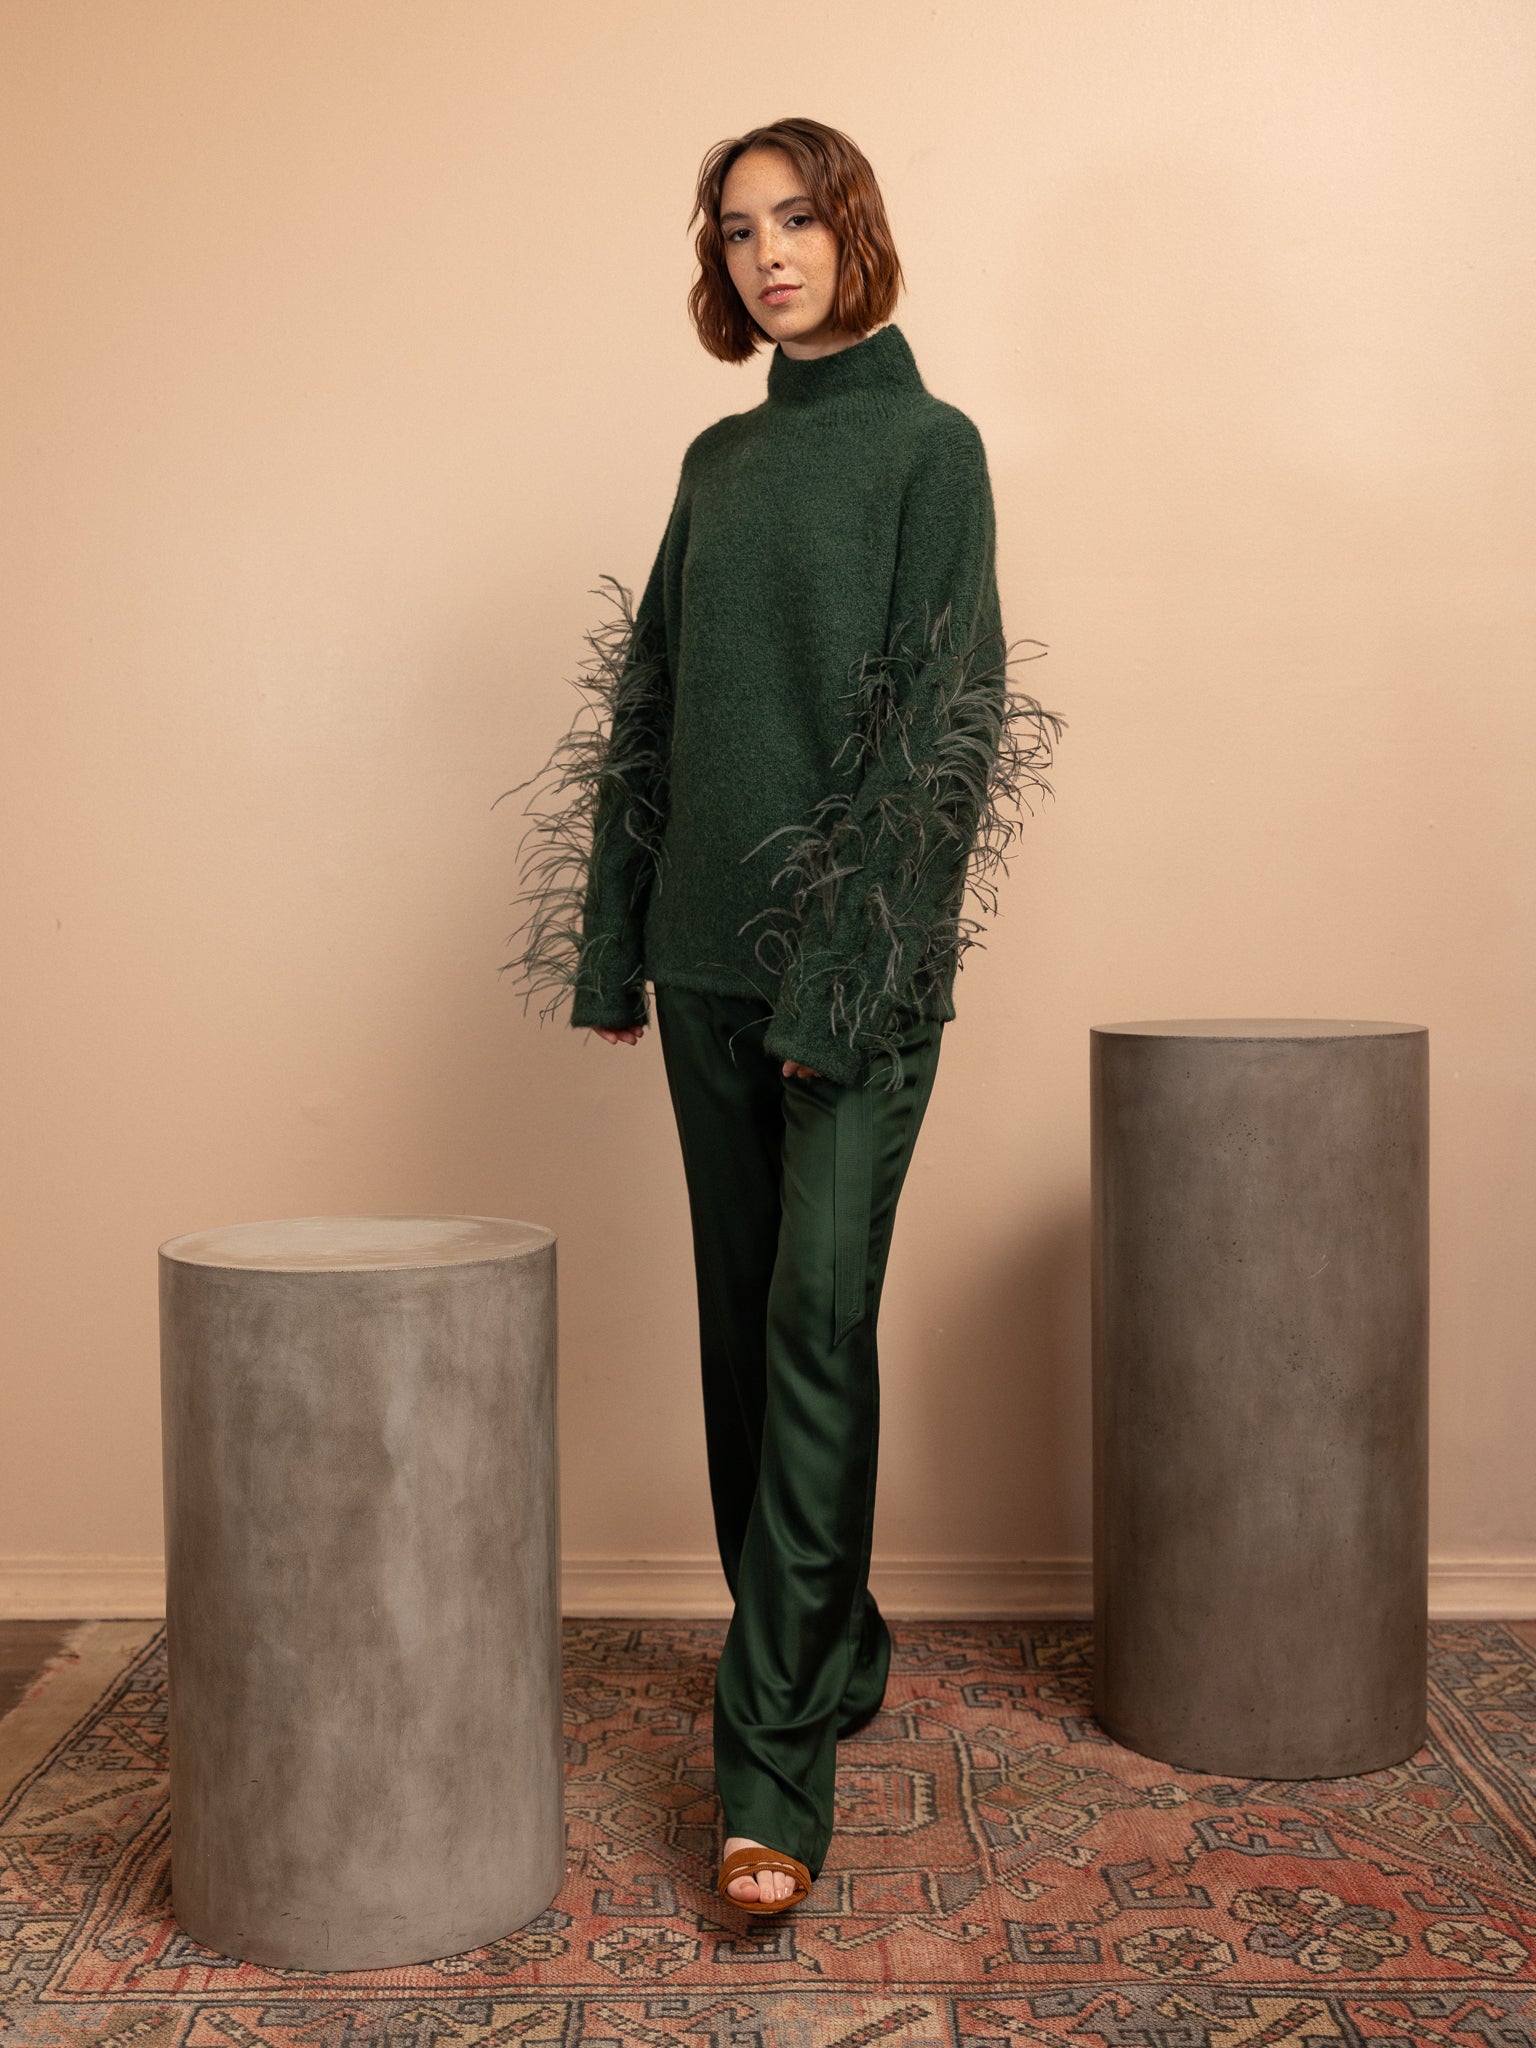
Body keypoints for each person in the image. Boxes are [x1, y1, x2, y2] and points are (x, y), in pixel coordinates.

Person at [502, 116, 1060, 1913]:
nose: (769, 255)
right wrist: (614, 946)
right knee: (746, 1346)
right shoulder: (718, 462)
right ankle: (837, 1641)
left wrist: (840, 979)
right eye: (739, 231)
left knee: (816, 1327)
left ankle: (773, 1781)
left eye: (797, 219)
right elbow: (654, 697)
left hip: (857, 978)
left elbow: (940, 733)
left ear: (855, 229)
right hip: (705, 968)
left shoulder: (930, 451)